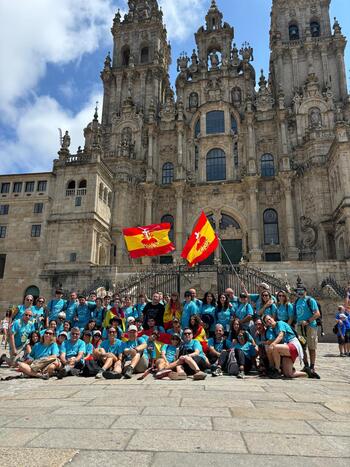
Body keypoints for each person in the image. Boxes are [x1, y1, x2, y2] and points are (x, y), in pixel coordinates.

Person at [263, 315, 308, 379]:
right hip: (287, 348)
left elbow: (281, 335)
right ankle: (307, 373)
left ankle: (277, 370)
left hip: (293, 345)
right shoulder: (273, 329)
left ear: (273, 318)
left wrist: (273, 344)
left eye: (269, 319)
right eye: (267, 321)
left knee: (275, 347)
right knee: (288, 374)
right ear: (266, 324)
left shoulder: (280, 323)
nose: (269, 321)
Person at [293, 284, 320, 378]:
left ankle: (312, 366)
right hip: (300, 327)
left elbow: (317, 314)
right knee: (302, 346)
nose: (299, 293)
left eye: (301, 291)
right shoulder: (297, 301)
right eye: (297, 291)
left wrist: (308, 321)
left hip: (310, 327)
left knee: (311, 347)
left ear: (305, 291)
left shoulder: (310, 300)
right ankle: (306, 366)